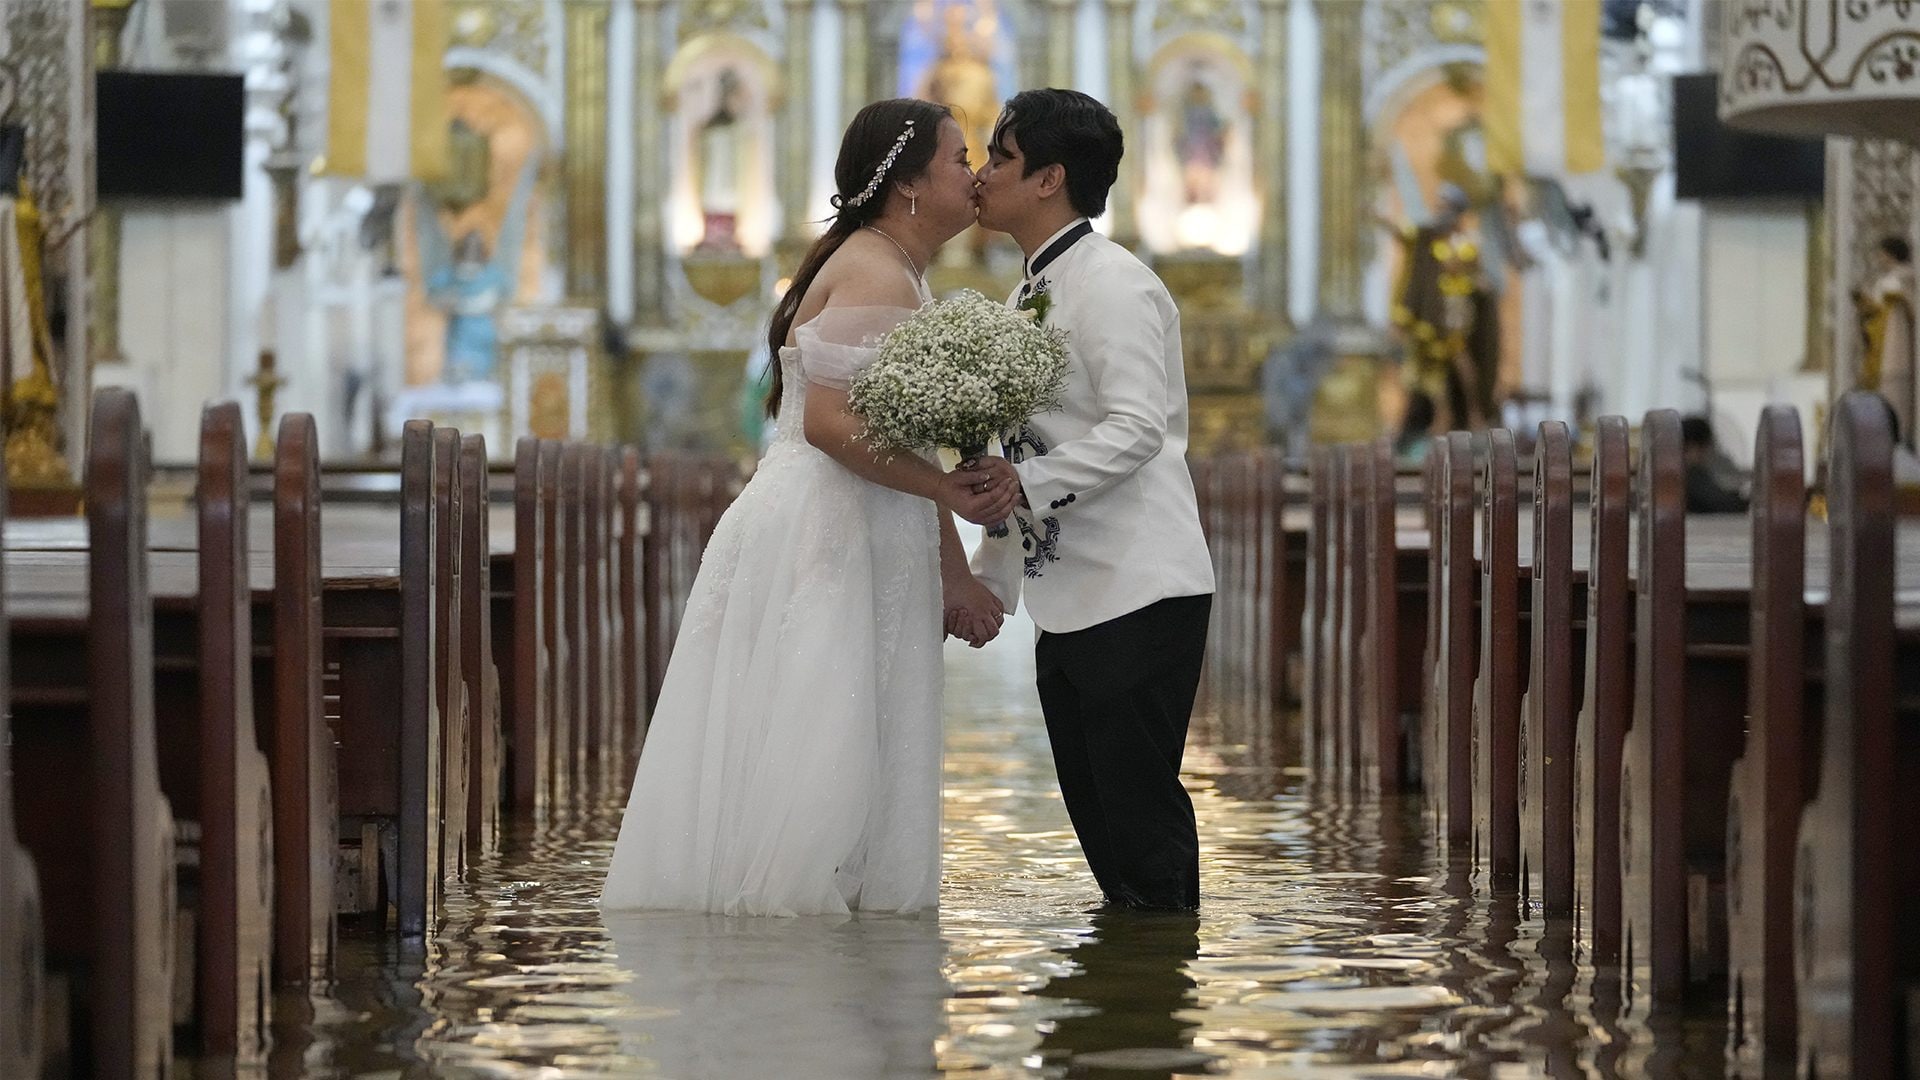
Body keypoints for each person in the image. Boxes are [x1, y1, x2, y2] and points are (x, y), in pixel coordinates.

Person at [600, 99, 1013, 916]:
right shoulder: (874, 268)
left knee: (839, 720)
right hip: (828, 522)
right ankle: (801, 960)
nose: (971, 177)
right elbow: (829, 423)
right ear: (906, 187)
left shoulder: (891, 265)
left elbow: (901, 435)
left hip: (852, 514)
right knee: (820, 725)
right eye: (958, 158)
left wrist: (952, 565)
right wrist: (944, 492)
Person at [965, 89, 1216, 911]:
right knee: (1104, 837)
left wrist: (1023, 486)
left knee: (1143, 831)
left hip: (1138, 589)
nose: (983, 175)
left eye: (999, 157)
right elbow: (1016, 450)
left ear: (1049, 179)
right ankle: (1119, 1013)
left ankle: (1158, 1017)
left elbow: (1140, 427)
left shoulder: (1114, 284)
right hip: (1068, 597)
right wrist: (990, 582)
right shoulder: (1026, 294)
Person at [1853, 234, 1915, 445]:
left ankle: (1899, 440)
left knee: (1896, 397)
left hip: (1897, 347)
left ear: (1892, 254)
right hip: (1880, 346)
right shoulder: (1884, 281)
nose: (1879, 258)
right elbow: (1876, 311)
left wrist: (1899, 300)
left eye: (1882, 254)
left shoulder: (1907, 279)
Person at [1681, 414, 1748, 514]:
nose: (1709, 452)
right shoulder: (1693, 475)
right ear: (1694, 447)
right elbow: (1724, 504)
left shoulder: (1676, 476)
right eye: (1708, 446)